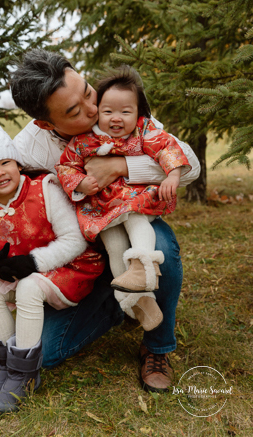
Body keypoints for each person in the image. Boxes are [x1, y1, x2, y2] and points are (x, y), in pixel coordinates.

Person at [9, 49, 200, 393]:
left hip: (131, 215)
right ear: (46, 123)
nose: (93, 109)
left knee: (161, 249)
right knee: (47, 353)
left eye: (86, 92)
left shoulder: (118, 106)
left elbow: (191, 164)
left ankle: (156, 347)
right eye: (75, 110)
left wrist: (121, 167)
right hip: (81, 245)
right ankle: (122, 303)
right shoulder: (28, 149)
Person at [0, 107, 105, 414]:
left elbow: (74, 240)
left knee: (30, 287)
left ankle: (24, 375)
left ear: (17, 162)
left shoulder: (43, 190)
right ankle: (8, 368)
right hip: (27, 271)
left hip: (70, 266)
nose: (0, 173)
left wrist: (33, 262)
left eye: (5, 162)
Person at [56, 67, 191, 332]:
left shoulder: (142, 132)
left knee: (136, 220)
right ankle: (136, 302)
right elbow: (66, 167)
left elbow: (166, 147)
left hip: (135, 199)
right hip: (101, 208)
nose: (116, 119)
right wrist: (81, 182)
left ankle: (143, 266)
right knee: (115, 245)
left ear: (138, 113)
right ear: (99, 110)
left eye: (125, 112)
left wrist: (173, 174)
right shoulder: (84, 141)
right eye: (108, 112)